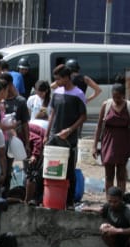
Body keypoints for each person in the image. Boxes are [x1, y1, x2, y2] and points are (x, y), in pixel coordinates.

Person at [46, 64, 86, 207]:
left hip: (69, 138)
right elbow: (52, 113)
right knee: (50, 167)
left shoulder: (78, 94)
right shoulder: (57, 92)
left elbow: (83, 116)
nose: (57, 82)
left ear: (66, 78)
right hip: (54, 135)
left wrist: (69, 130)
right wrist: (47, 133)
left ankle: (69, 201)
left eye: (59, 79)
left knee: (69, 170)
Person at [93, 83, 130, 192]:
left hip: (123, 142)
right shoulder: (106, 105)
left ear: (123, 95)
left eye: (119, 97)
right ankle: (109, 200)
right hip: (108, 142)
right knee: (109, 175)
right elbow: (98, 127)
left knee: (122, 175)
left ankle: (120, 200)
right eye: (114, 97)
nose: (116, 99)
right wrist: (94, 146)